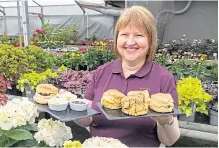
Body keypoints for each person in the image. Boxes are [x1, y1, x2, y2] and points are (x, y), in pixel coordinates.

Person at [75, 6, 180, 147]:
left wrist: (166, 120)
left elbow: (169, 140)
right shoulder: (102, 72)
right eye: (124, 34)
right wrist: (71, 107)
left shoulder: (163, 78)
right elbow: (87, 120)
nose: (130, 42)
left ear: (150, 40)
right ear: (117, 38)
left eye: (138, 35)